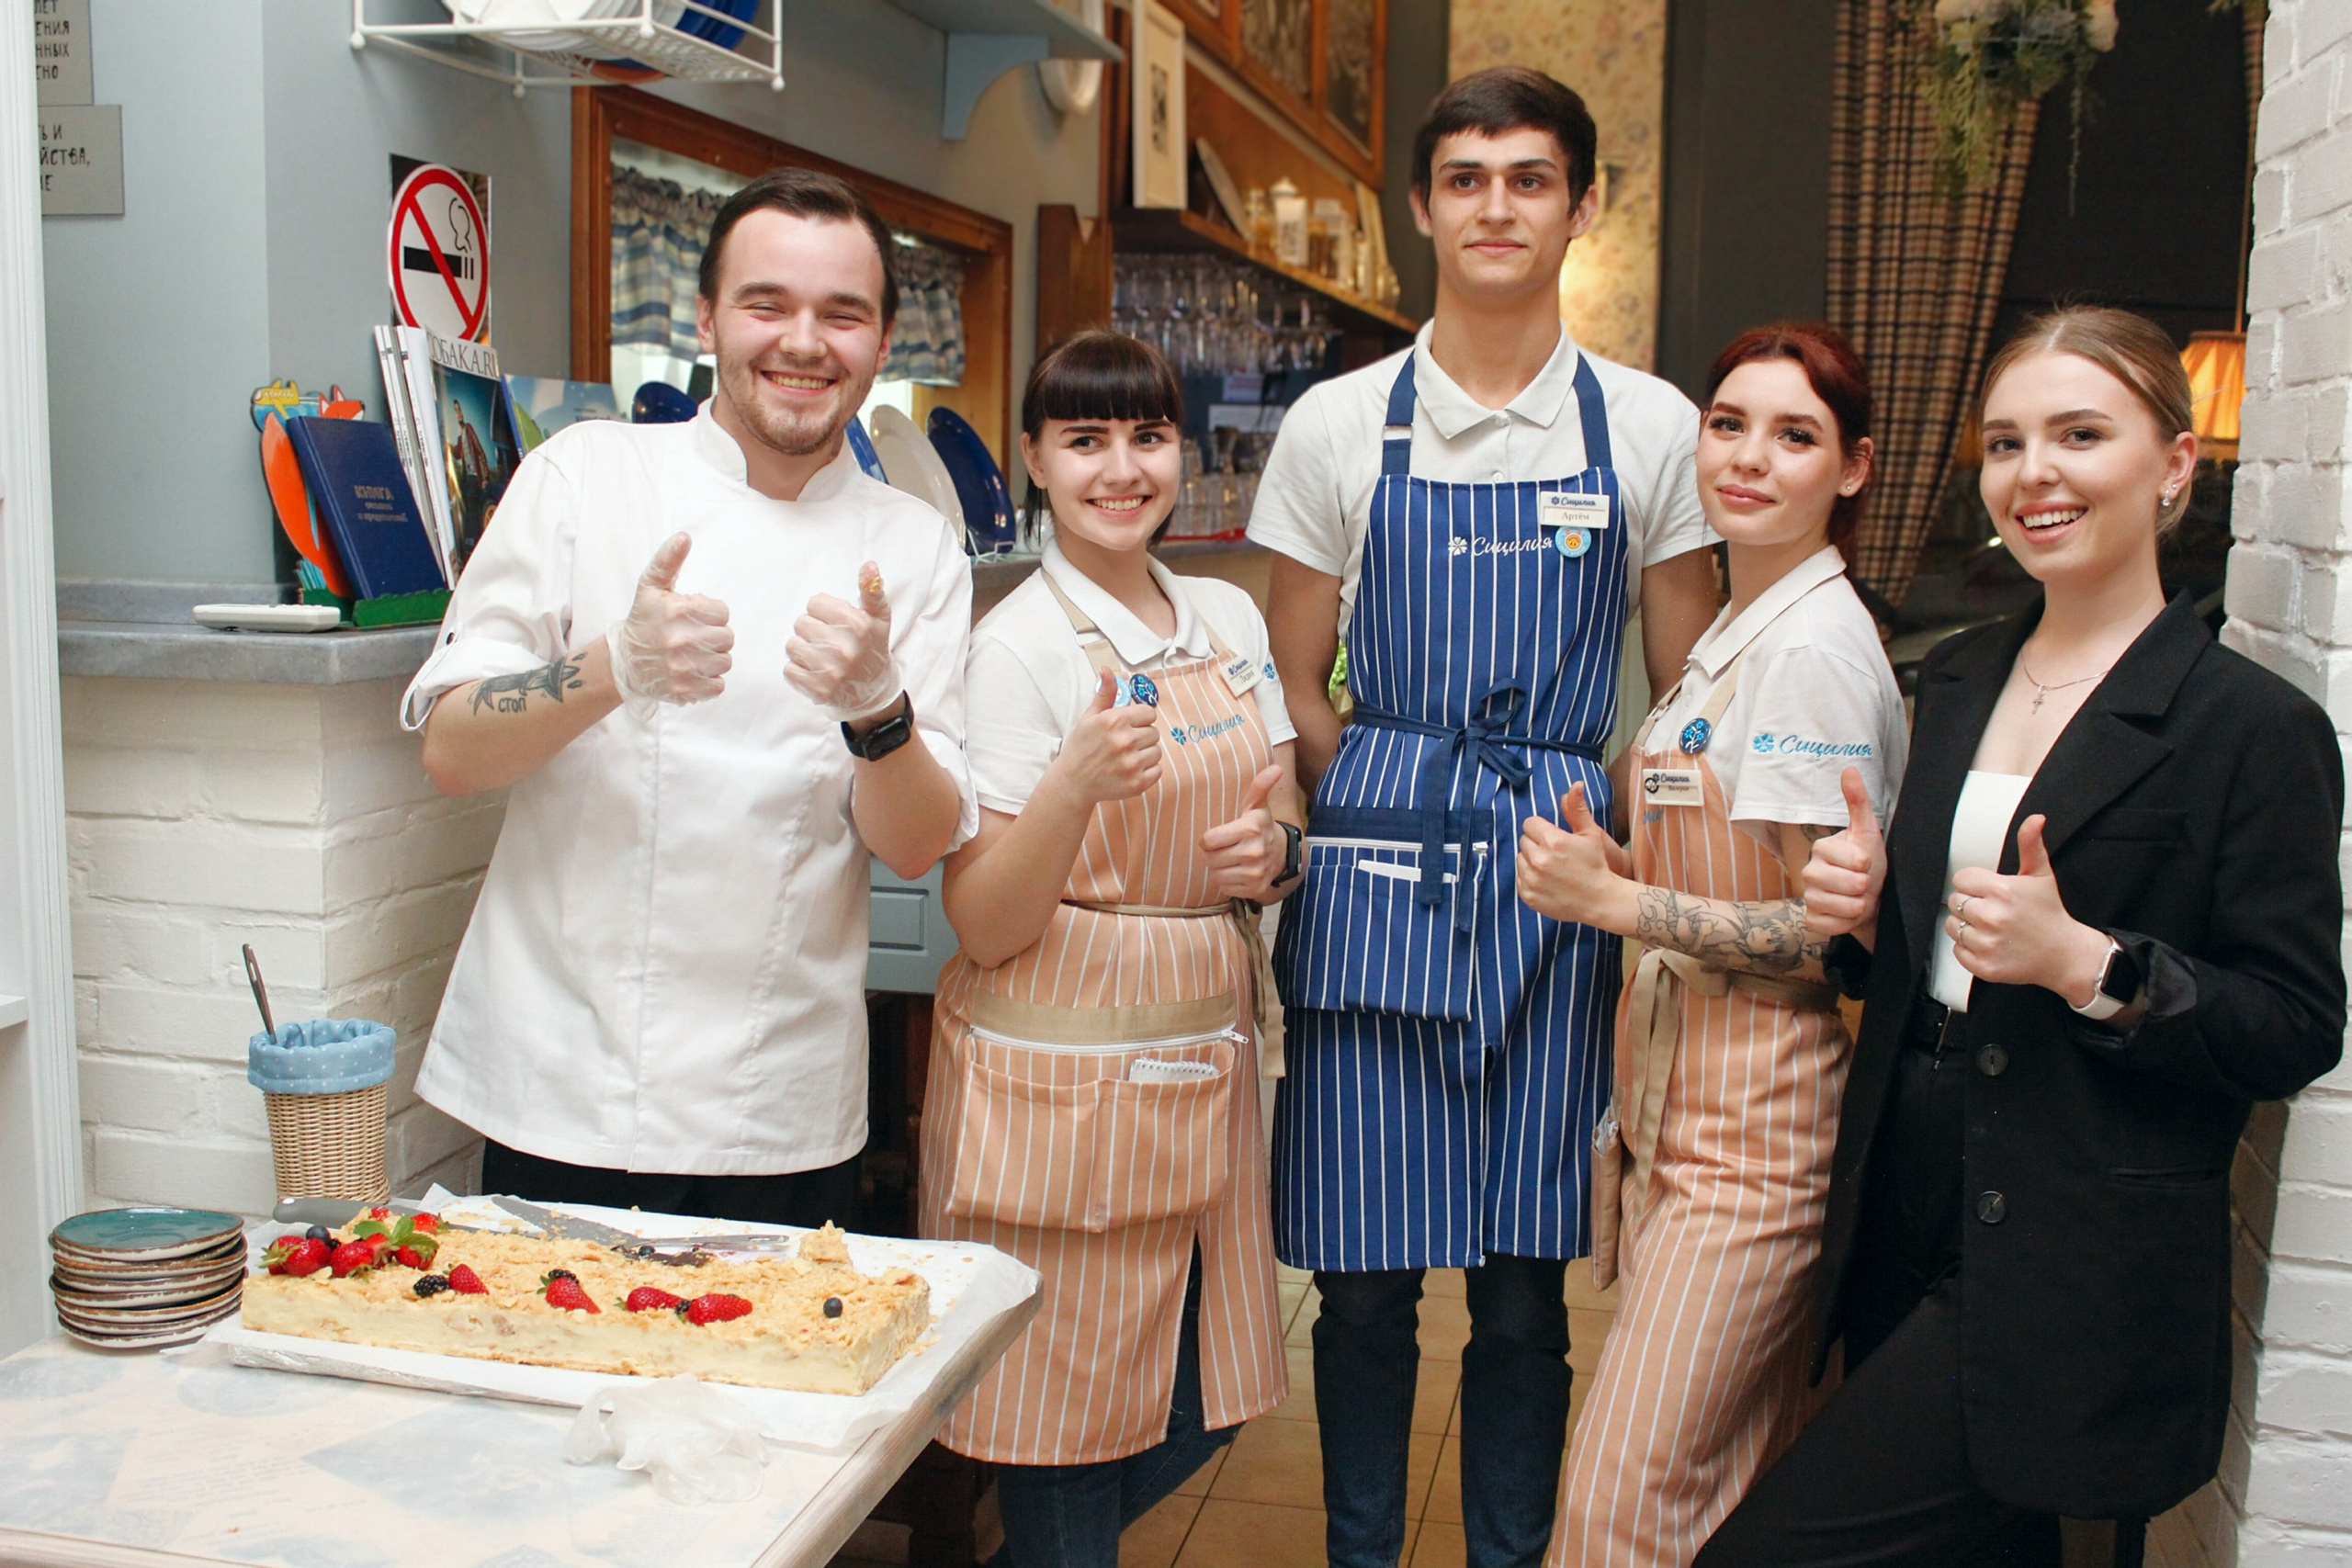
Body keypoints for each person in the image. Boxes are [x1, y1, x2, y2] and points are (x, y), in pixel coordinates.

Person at [1698, 306, 2346, 1564]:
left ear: (2173, 463)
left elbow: (2292, 1026)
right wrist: (1862, 919)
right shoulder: (1958, 676)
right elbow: (1920, 958)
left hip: (2070, 1232)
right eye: (2005, 442)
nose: (2033, 472)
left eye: (2079, 434)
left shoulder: (2246, 725)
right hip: (1901, 1180)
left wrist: (2088, 965)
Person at [1249, 65, 1720, 1568]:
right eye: (1466, 178)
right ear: (1423, 206)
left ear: (1584, 205)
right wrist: (1387, 802)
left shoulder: (1650, 427)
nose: (1495, 206)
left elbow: (1686, 692)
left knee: (1524, 1291)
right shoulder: (1338, 424)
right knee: (1363, 1284)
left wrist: (1615, 853)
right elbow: (1293, 674)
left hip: (1555, 873)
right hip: (1373, 869)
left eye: (1529, 178)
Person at [400, 167, 975, 1228]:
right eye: (767, 304)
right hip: (560, 1085)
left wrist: (878, 712)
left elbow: (917, 844)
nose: (803, 342)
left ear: (884, 342)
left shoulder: (916, 547)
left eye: (842, 313)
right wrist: (615, 669)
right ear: (705, 317)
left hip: (779, 1100)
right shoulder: (584, 475)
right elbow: (451, 749)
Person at [1514, 324, 1905, 1566]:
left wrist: (1619, 905)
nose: (1748, 457)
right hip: (1685, 1117)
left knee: (1618, 1511)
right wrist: (1627, 865)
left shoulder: (1808, 653)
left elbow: (1834, 941)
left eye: (1795, 435)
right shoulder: (1740, 632)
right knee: (1724, 1492)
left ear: (1852, 468)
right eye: (1728, 424)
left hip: (1758, 1138)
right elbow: (1738, 869)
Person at [919, 332, 1298, 1568]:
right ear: (1035, 458)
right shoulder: (1017, 646)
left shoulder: (1226, 613)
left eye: (1148, 436)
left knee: (1203, 1389)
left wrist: (1277, 851)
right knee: (1065, 1419)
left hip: (1200, 1052)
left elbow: (1284, 805)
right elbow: (986, 922)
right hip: (1060, 1081)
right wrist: (1075, 784)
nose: (1122, 468)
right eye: (1085, 440)